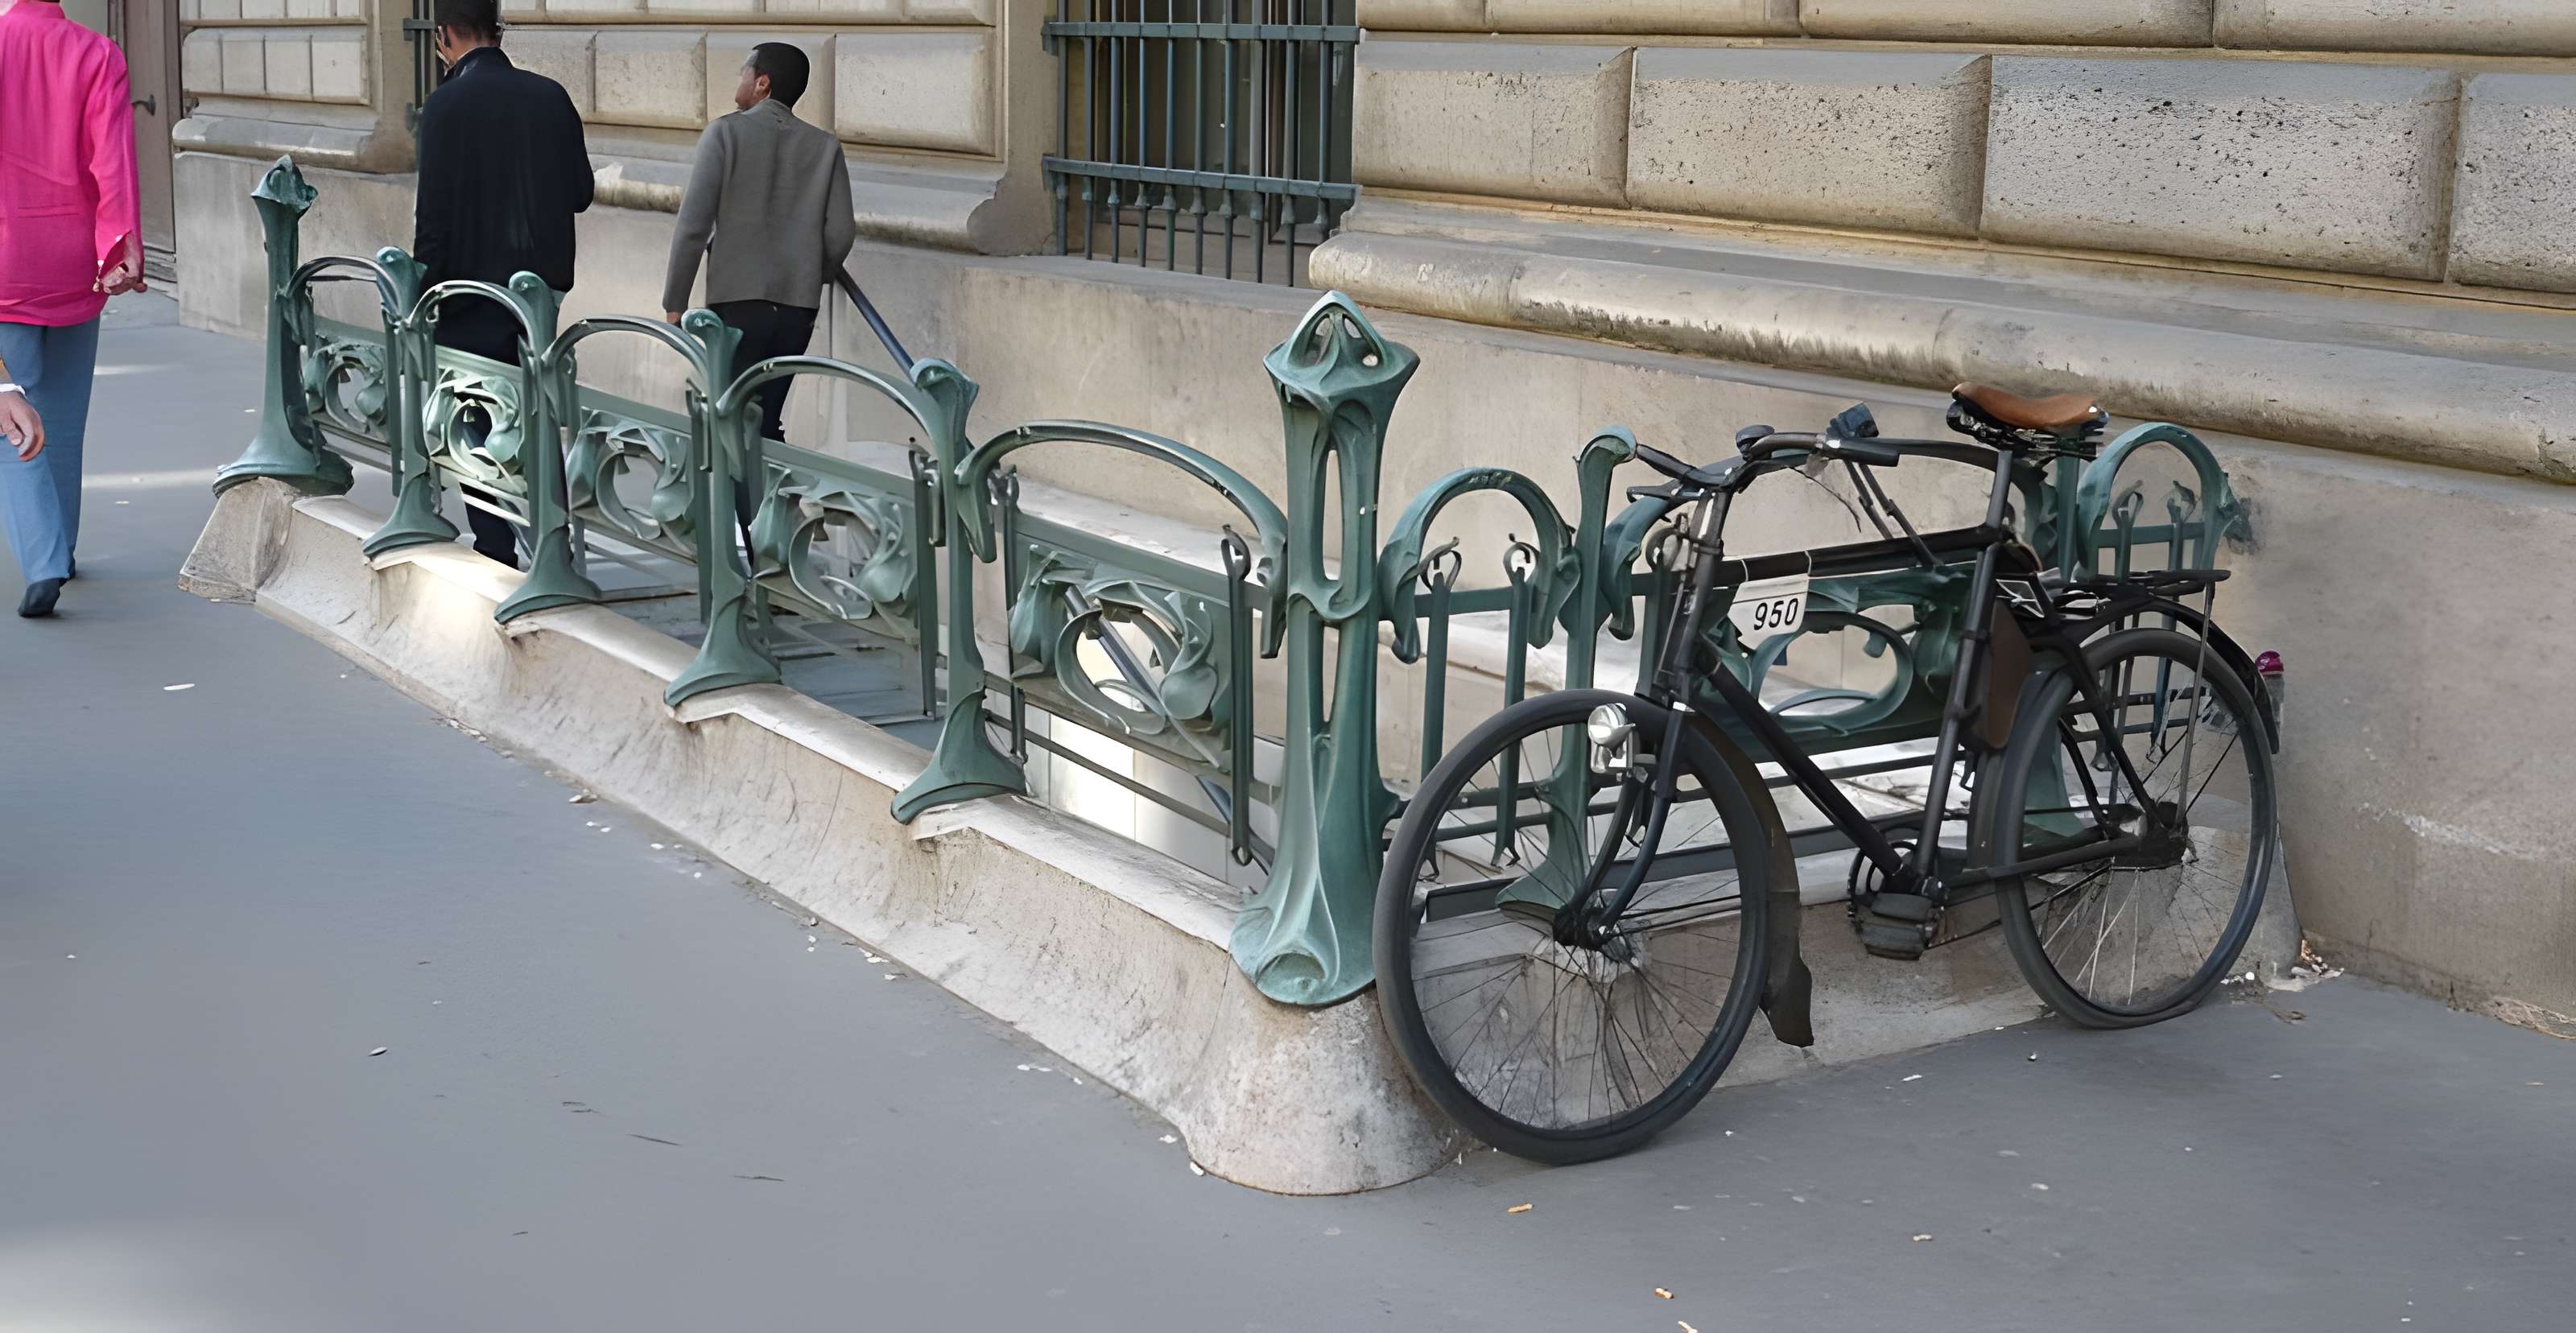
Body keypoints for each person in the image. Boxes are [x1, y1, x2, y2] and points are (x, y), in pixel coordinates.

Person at [412, 0, 592, 568]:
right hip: (538, 292)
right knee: (536, 412)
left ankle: (496, 547)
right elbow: (581, 192)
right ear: (498, 30)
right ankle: (554, 540)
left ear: (444, 36)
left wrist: (423, 296)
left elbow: (432, 217)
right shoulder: (549, 95)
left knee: (473, 417)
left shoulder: (443, 105)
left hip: (468, 292)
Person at [0, 0, 145, 619]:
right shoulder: (95, 52)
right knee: (65, 405)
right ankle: (65, 543)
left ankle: (43, 558)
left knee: (12, 406)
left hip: (8, 251)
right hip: (73, 254)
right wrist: (120, 243)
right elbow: (111, 159)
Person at [662, 42, 857, 450]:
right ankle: (766, 509)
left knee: (729, 419)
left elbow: (693, 226)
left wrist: (675, 302)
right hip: (797, 306)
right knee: (768, 419)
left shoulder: (725, 132)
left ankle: (737, 512)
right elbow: (841, 232)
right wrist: (811, 272)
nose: (740, 81)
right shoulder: (824, 146)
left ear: (762, 82)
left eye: (743, 73)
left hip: (736, 301)